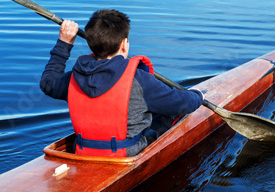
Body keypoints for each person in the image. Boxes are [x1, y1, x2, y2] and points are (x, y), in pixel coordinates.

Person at [40, 9, 203, 157]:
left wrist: (64, 43)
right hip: (127, 154)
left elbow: (48, 83)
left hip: (83, 151)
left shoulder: (73, 78)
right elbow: (183, 104)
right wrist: (197, 96)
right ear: (124, 44)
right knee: (173, 113)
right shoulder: (139, 80)